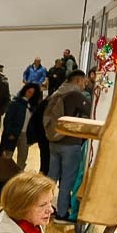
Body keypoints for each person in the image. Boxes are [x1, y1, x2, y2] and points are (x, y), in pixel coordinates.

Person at [44, 70, 91, 222]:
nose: (85, 85)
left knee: (51, 178)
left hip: (54, 140)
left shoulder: (57, 92)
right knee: (67, 180)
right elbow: (92, 111)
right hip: (70, 143)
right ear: (78, 81)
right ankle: (62, 213)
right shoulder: (75, 95)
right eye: (84, 82)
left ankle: (45, 208)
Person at [1, 83, 41, 171]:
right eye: (29, 91)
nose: (30, 94)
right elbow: (8, 120)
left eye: (32, 93)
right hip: (13, 133)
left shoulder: (32, 106)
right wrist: (9, 133)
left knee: (23, 157)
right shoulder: (15, 103)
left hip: (25, 134)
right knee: (8, 156)